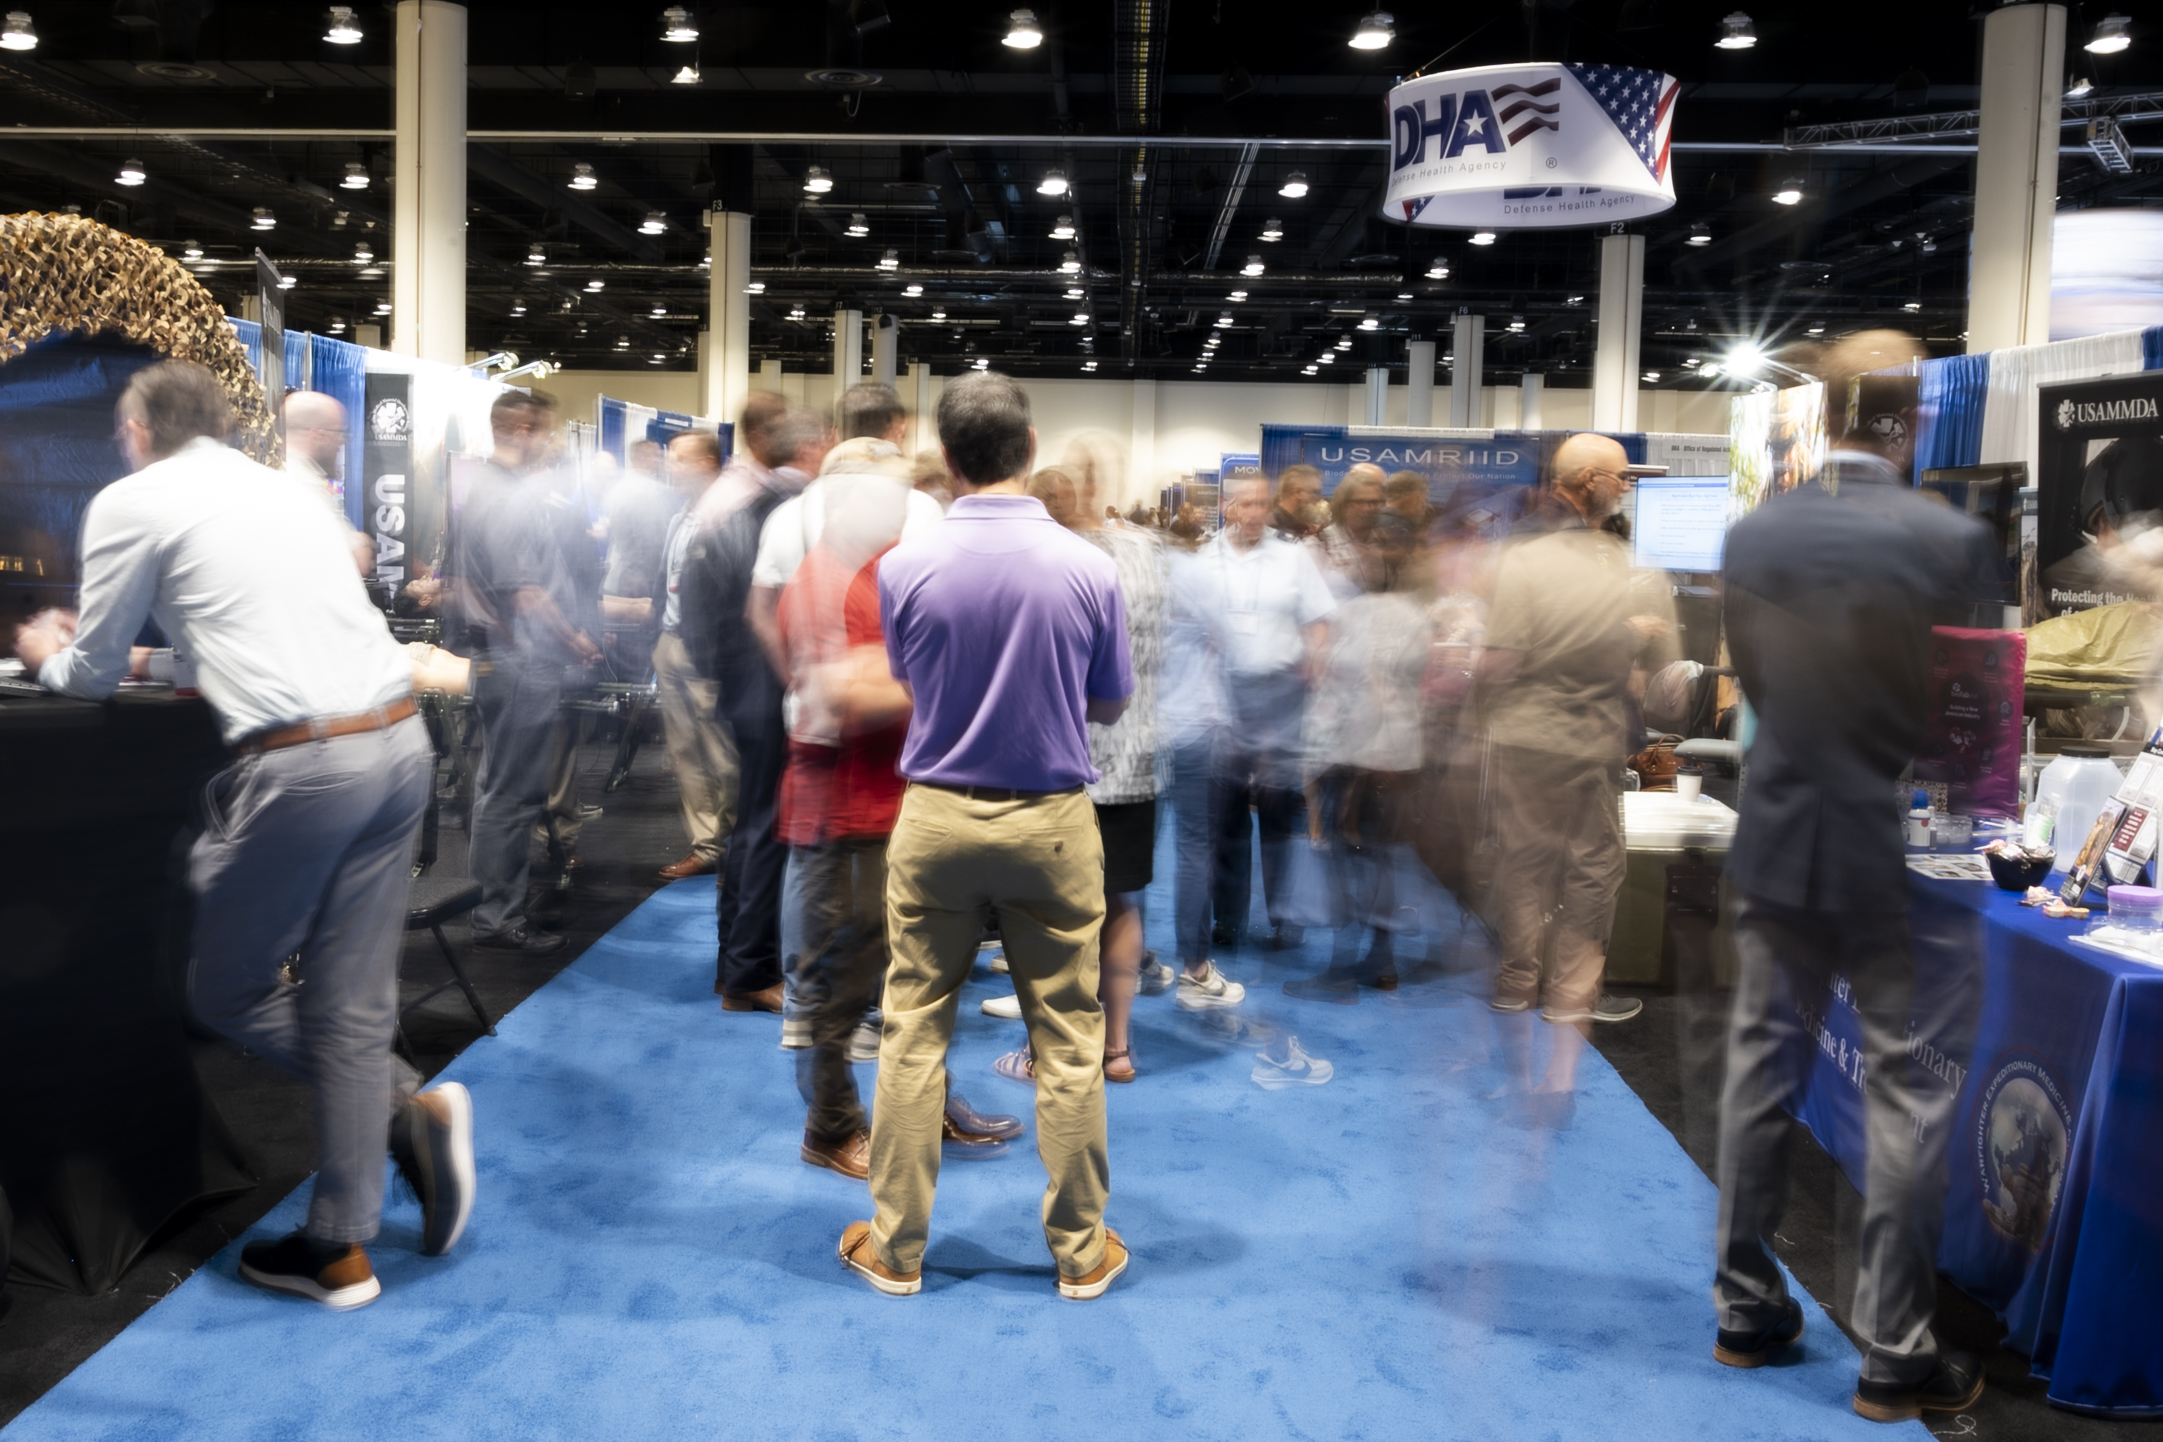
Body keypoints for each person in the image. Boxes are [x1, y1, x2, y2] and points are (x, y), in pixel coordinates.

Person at [12, 361, 473, 1310]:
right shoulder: (285, 494)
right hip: (396, 746)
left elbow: (90, 674)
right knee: (345, 1009)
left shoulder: (131, 501)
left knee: (223, 987)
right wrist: (157, 652)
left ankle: (390, 1124)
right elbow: (267, 629)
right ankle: (344, 1235)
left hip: (306, 769)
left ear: (135, 431)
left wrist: (43, 652)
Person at [1713, 334, 1998, 1423]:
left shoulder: (1757, 531)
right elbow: (1972, 716)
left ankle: (1744, 1306)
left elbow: (1762, 692)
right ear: (1910, 416)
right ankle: (1893, 1349)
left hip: (1781, 834)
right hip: (1897, 854)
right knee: (1908, 1092)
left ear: (1823, 417)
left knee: (1759, 1069)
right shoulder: (1947, 535)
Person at [837, 370, 1133, 1301]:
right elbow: (1111, 702)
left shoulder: (902, 567)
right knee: (1070, 1037)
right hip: (1051, 820)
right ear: (1029, 447)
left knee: (915, 1028)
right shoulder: (1089, 567)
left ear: (949, 458)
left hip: (935, 815)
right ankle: (1080, 1252)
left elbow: (913, 677)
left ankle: (897, 1246)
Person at [779, 443, 1017, 1178]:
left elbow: (886, 674)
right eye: (887, 491)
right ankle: (831, 1126)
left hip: (893, 805)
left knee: (919, 974)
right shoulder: (823, 583)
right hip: (844, 816)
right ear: (846, 498)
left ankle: (925, 1102)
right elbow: (845, 694)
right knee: (839, 989)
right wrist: (949, 681)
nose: (902, 503)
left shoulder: (881, 569)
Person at [1475, 432, 1675, 1122]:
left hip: (1522, 744)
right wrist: (1625, 634)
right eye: (1620, 477)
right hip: (1584, 748)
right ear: (1587, 479)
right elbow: (1650, 678)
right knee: (1590, 885)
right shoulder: (1614, 562)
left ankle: (1514, 1040)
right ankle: (1558, 1080)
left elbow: (1499, 659)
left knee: (1524, 876)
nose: (1627, 487)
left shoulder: (1521, 556)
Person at [680, 409, 833, 1011]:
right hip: (768, 690)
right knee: (767, 829)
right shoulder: (786, 514)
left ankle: (740, 969)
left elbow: (697, 611)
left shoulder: (737, 511)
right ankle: (749, 972)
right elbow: (767, 612)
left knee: (753, 827)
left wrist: (724, 682)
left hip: (745, 690)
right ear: (815, 449)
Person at [1022, 462, 1170, 1081]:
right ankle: (1117, 1049)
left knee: (1048, 911)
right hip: (1134, 757)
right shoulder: (1147, 554)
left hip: (1057, 761)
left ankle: (1048, 1048)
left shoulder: (1042, 560)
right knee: (1120, 902)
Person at [449, 389, 601, 955]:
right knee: (511, 796)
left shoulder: (491, 490)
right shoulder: (502, 495)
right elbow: (525, 592)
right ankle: (498, 915)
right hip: (519, 658)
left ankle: (493, 906)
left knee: (497, 790)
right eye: (546, 431)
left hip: (504, 657)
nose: (553, 442)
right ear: (519, 430)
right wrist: (573, 638)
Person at [1291, 507, 1432, 997]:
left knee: (1360, 856)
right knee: (1376, 856)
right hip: (1382, 753)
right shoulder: (1415, 616)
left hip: (1368, 754)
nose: (1371, 555)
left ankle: (1357, 961)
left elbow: (1341, 680)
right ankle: (1375, 958)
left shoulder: (1367, 615)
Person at [1196, 474, 1336, 962]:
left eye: (1261, 504)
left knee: (1280, 810)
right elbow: (1190, 627)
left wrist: (1313, 664)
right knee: (1227, 812)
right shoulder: (1204, 559)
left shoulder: (1293, 556)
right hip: (1226, 694)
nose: (1254, 513)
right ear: (1227, 506)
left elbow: (1319, 619)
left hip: (1281, 693)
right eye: (1245, 504)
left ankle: (1284, 915)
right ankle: (1229, 919)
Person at [603, 430, 739, 881]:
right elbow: (668, 576)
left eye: (679, 460)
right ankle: (707, 846)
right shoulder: (679, 515)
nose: (669, 467)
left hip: (712, 651)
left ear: (705, 462)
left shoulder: (732, 512)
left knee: (725, 757)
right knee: (685, 753)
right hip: (671, 642)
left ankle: (738, 845)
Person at [281, 390, 373, 576]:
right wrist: (362, 543)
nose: (342, 442)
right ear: (317, 435)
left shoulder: (281, 474)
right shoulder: (304, 489)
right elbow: (357, 562)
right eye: (339, 433)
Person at [1311, 463, 1388, 598]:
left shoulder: (1383, 542)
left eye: (1374, 502)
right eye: (1359, 502)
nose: (1368, 508)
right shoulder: (1320, 543)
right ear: (1343, 503)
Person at [1268, 464, 1323, 541]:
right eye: (1314, 492)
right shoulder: (1272, 529)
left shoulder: (1301, 527)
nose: (1319, 498)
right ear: (1297, 492)